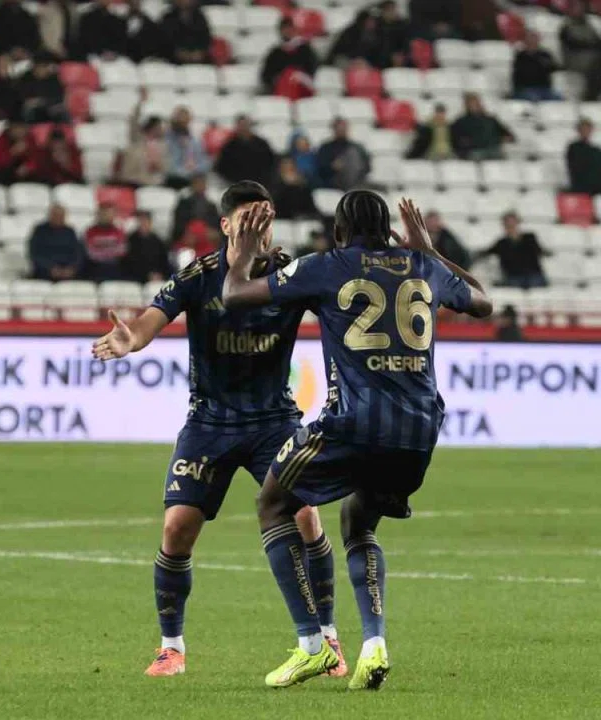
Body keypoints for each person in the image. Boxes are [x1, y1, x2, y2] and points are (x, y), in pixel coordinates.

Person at [219, 192, 492, 689]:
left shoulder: (325, 266)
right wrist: (429, 250)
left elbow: (236, 295)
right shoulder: (422, 266)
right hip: (417, 430)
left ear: (339, 230)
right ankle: (373, 644)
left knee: (273, 504)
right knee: (359, 521)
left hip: (353, 422)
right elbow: (483, 301)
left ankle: (313, 646)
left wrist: (242, 252)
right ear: (388, 229)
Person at [91, 182, 344, 680]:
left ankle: (328, 637)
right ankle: (171, 648)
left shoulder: (291, 274)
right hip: (210, 423)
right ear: (226, 225)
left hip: (274, 421)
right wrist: (129, 341)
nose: (258, 229)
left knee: (306, 516)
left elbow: (341, 315)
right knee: (176, 528)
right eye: (248, 219)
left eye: (265, 219)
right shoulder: (198, 276)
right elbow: (148, 323)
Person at [476, 212, 551, 288]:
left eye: (512, 223)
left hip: (533, 276)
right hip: (513, 277)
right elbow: (487, 252)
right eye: (508, 223)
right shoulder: (502, 243)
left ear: (517, 223)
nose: (511, 226)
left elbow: (540, 251)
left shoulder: (530, 238)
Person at [115, 96, 168, 188]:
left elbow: (165, 167)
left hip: (155, 182)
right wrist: (140, 104)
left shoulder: (162, 145)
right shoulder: (138, 140)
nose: (160, 129)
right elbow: (133, 123)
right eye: (158, 127)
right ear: (151, 127)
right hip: (136, 181)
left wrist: (159, 166)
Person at [261, 18, 318, 98]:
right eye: (284, 29)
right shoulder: (275, 52)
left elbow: (311, 70)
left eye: (289, 28)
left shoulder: (305, 49)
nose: (287, 31)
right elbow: (266, 75)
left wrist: (296, 76)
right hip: (281, 87)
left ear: (295, 30)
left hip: (301, 86)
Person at [450, 93, 514, 161]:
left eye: (476, 103)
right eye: (471, 103)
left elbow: (508, 135)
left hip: (493, 149)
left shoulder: (490, 119)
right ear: (467, 105)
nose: (475, 106)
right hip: (474, 151)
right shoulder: (461, 121)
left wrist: (505, 138)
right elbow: (455, 140)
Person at [29, 203, 85, 280]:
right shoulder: (40, 231)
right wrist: (50, 268)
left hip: (67, 271)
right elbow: (34, 254)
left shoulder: (70, 231)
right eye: (55, 215)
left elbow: (77, 253)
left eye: (61, 216)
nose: (58, 218)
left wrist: (71, 268)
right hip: (45, 271)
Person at [560, 0, 601, 102]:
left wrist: (591, 43)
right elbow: (575, 43)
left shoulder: (589, 24)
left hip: (592, 59)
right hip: (574, 60)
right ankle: (590, 97)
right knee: (597, 64)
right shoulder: (566, 25)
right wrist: (591, 43)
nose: (579, 9)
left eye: (581, 6)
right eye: (576, 7)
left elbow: (597, 41)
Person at [215, 116, 276, 185]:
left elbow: (271, 162)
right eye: (241, 126)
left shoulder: (261, 144)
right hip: (237, 184)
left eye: (245, 125)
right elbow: (221, 166)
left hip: (259, 184)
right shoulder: (229, 146)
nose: (243, 128)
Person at [316, 118, 372, 191]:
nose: (342, 131)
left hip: (357, 181)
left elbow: (367, 167)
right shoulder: (325, 148)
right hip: (333, 183)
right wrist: (332, 167)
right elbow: (320, 168)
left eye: (344, 128)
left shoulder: (357, 147)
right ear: (334, 129)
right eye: (339, 129)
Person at [165, 107, 209, 190]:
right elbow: (169, 165)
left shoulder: (194, 141)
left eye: (185, 121)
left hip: (193, 177)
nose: (183, 124)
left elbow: (204, 163)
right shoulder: (167, 140)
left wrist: (195, 168)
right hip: (174, 179)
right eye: (180, 121)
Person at [171, 174, 219, 248]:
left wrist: (212, 231)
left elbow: (215, 222)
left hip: (206, 233)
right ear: (192, 185)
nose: (200, 186)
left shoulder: (211, 205)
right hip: (189, 233)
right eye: (197, 184)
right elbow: (179, 223)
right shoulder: (183, 204)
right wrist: (187, 232)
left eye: (202, 183)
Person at [83, 204, 128, 281]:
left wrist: (101, 248)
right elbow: (90, 252)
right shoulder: (90, 232)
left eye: (109, 214)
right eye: (103, 214)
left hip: (114, 267)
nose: (106, 217)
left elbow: (121, 251)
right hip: (95, 267)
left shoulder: (119, 232)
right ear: (98, 215)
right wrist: (110, 250)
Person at [122, 210, 170, 282]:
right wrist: (147, 275)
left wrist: (160, 274)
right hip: (136, 278)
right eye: (141, 221)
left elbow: (164, 261)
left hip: (156, 278)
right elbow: (130, 263)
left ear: (150, 223)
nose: (143, 224)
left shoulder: (158, 241)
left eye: (145, 221)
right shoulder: (131, 240)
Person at [513, 31, 561, 102]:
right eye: (529, 39)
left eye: (534, 39)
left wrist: (548, 64)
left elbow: (555, 68)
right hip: (526, 89)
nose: (532, 41)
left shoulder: (545, 54)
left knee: (558, 98)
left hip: (544, 89)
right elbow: (519, 74)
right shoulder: (521, 56)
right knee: (533, 97)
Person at [19, 53, 68, 123]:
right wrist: (32, 102)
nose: (40, 70)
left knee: (61, 110)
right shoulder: (26, 78)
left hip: (50, 107)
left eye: (43, 67)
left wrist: (42, 101)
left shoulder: (53, 79)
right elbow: (23, 97)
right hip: (33, 110)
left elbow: (59, 97)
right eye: (38, 67)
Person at [161, 0, 212, 65]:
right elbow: (165, 42)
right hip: (172, 62)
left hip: (199, 60)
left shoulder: (200, 18)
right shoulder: (168, 18)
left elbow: (206, 40)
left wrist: (199, 53)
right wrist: (180, 54)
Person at [0, 119, 39, 183]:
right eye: (16, 128)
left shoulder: (29, 139)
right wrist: (13, 152)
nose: (19, 131)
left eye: (22, 128)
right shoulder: (2, 139)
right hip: (5, 173)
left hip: (24, 175)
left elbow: (36, 159)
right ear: (10, 128)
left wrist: (28, 167)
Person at [567, 118, 601, 195]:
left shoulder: (595, 150)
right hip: (582, 186)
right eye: (583, 129)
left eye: (587, 129)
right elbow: (575, 169)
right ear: (579, 131)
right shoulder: (573, 148)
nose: (585, 131)